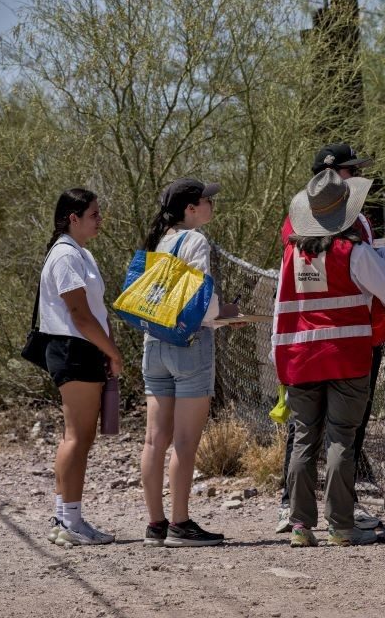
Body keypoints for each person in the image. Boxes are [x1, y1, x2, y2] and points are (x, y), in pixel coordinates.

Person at [274, 169, 385, 547]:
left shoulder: (291, 254)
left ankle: (299, 526)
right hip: (347, 356)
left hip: (298, 357)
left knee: (303, 439)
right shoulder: (357, 252)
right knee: (341, 439)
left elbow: (281, 307)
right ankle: (341, 526)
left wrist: (277, 358)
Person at [139, 178, 237, 547]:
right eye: (207, 200)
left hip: (154, 345)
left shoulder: (158, 242)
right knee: (184, 441)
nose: (212, 205)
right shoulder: (195, 241)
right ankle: (181, 524)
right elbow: (200, 299)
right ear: (190, 208)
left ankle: (156, 524)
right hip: (190, 345)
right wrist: (224, 313)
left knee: (154, 439)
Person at [40, 188, 121, 547]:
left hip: (83, 348)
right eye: (93, 214)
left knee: (80, 435)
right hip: (73, 348)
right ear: (73, 218)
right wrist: (113, 352)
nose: (99, 220)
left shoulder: (80, 254)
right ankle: (68, 520)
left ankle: (67, 517)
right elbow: (80, 315)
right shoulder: (65, 256)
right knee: (76, 435)